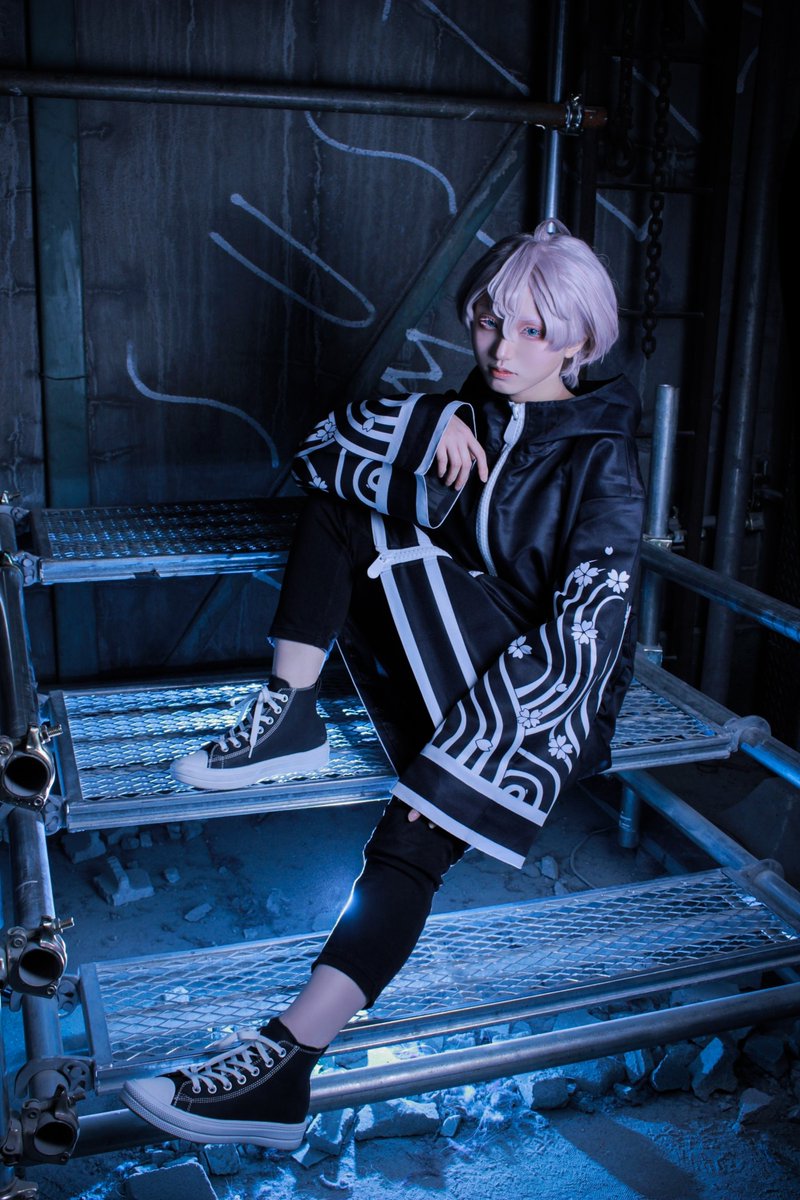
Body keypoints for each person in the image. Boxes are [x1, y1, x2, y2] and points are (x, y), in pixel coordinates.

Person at [122, 220, 645, 1150]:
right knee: (346, 494)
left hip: (541, 692)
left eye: (533, 332)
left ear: (579, 342)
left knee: (412, 834)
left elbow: (584, 636)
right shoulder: (466, 408)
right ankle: (290, 715)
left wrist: (470, 754)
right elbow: (318, 454)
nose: (501, 348)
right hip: (444, 644)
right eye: (489, 321)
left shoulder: (601, 458)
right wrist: (424, 423)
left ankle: (285, 1063)